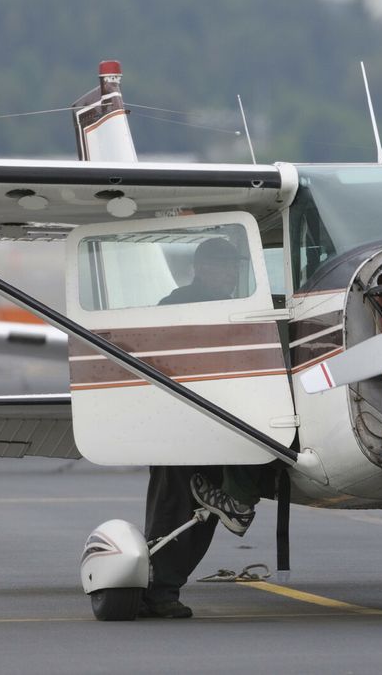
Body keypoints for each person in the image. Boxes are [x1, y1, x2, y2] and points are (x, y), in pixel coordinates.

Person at [141, 236, 270, 619]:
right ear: (200, 268)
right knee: (174, 506)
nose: (229, 272)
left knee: (203, 513)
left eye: (234, 266)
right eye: (221, 264)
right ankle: (158, 590)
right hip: (183, 428)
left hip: (224, 425)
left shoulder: (243, 306)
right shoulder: (175, 306)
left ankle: (164, 588)